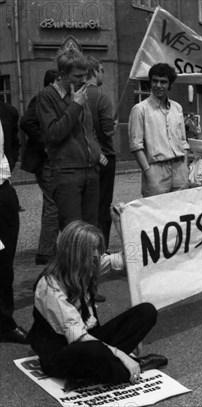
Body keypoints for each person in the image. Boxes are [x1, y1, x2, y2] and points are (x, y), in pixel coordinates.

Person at [27, 221, 167, 389]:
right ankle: (129, 368)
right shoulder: (50, 285)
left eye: (97, 249)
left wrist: (121, 224)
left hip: (88, 338)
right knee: (95, 350)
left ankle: (90, 373)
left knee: (146, 312)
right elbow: (78, 337)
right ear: (74, 253)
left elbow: (127, 258)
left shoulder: (89, 265)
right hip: (61, 352)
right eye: (91, 250)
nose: (96, 255)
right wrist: (122, 354)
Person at [37, 48, 103, 230]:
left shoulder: (80, 92)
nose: (83, 80)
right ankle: (73, 260)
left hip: (91, 170)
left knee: (91, 229)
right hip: (67, 172)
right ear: (62, 74)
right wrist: (75, 106)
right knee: (73, 230)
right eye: (77, 76)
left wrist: (97, 151)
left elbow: (88, 130)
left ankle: (91, 259)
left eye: (85, 75)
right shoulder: (47, 96)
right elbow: (53, 134)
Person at [129, 63, 189, 198]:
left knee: (179, 210)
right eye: (155, 81)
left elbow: (183, 141)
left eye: (163, 82)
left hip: (179, 167)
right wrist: (148, 171)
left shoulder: (177, 108)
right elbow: (135, 145)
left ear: (170, 85)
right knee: (156, 214)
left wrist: (185, 167)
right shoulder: (140, 110)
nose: (158, 85)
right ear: (150, 82)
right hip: (156, 169)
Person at [20, 70, 60, 265]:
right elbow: (26, 121)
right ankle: (45, 252)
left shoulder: (47, 100)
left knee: (50, 203)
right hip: (45, 162)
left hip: (46, 162)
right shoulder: (43, 98)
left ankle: (48, 247)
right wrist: (45, 144)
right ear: (52, 82)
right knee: (53, 203)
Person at [0, 118, 28, 344]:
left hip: (3, 191)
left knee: (4, 262)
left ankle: (4, 323)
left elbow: (13, 144)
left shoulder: (5, 112)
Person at [87, 57, 116, 247]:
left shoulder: (77, 95)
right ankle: (101, 247)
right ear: (95, 71)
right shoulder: (101, 97)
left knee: (88, 206)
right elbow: (107, 131)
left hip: (85, 158)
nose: (103, 73)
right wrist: (112, 125)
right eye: (102, 70)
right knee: (103, 206)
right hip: (105, 156)